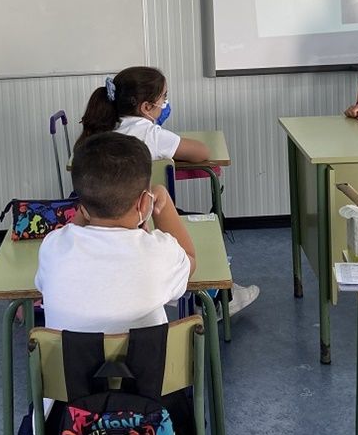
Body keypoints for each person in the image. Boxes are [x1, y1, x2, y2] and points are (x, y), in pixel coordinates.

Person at [77, 65, 260, 315]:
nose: (166, 103)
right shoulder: (150, 134)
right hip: (149, 216)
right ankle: (216, 298)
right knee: (203, 225)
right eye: (163, 98)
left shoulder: (101, 130)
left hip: (100, 217)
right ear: (146, 107)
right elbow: (203, 153)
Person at [35, 132, 195, 332]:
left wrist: (87, 208)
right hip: (149, 363)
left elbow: (71, 230)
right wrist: (164, 200)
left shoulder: (53, 247)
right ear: (144, 202)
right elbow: (190, 260)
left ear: (81, 206)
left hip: (68, 363)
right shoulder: (160, 253)